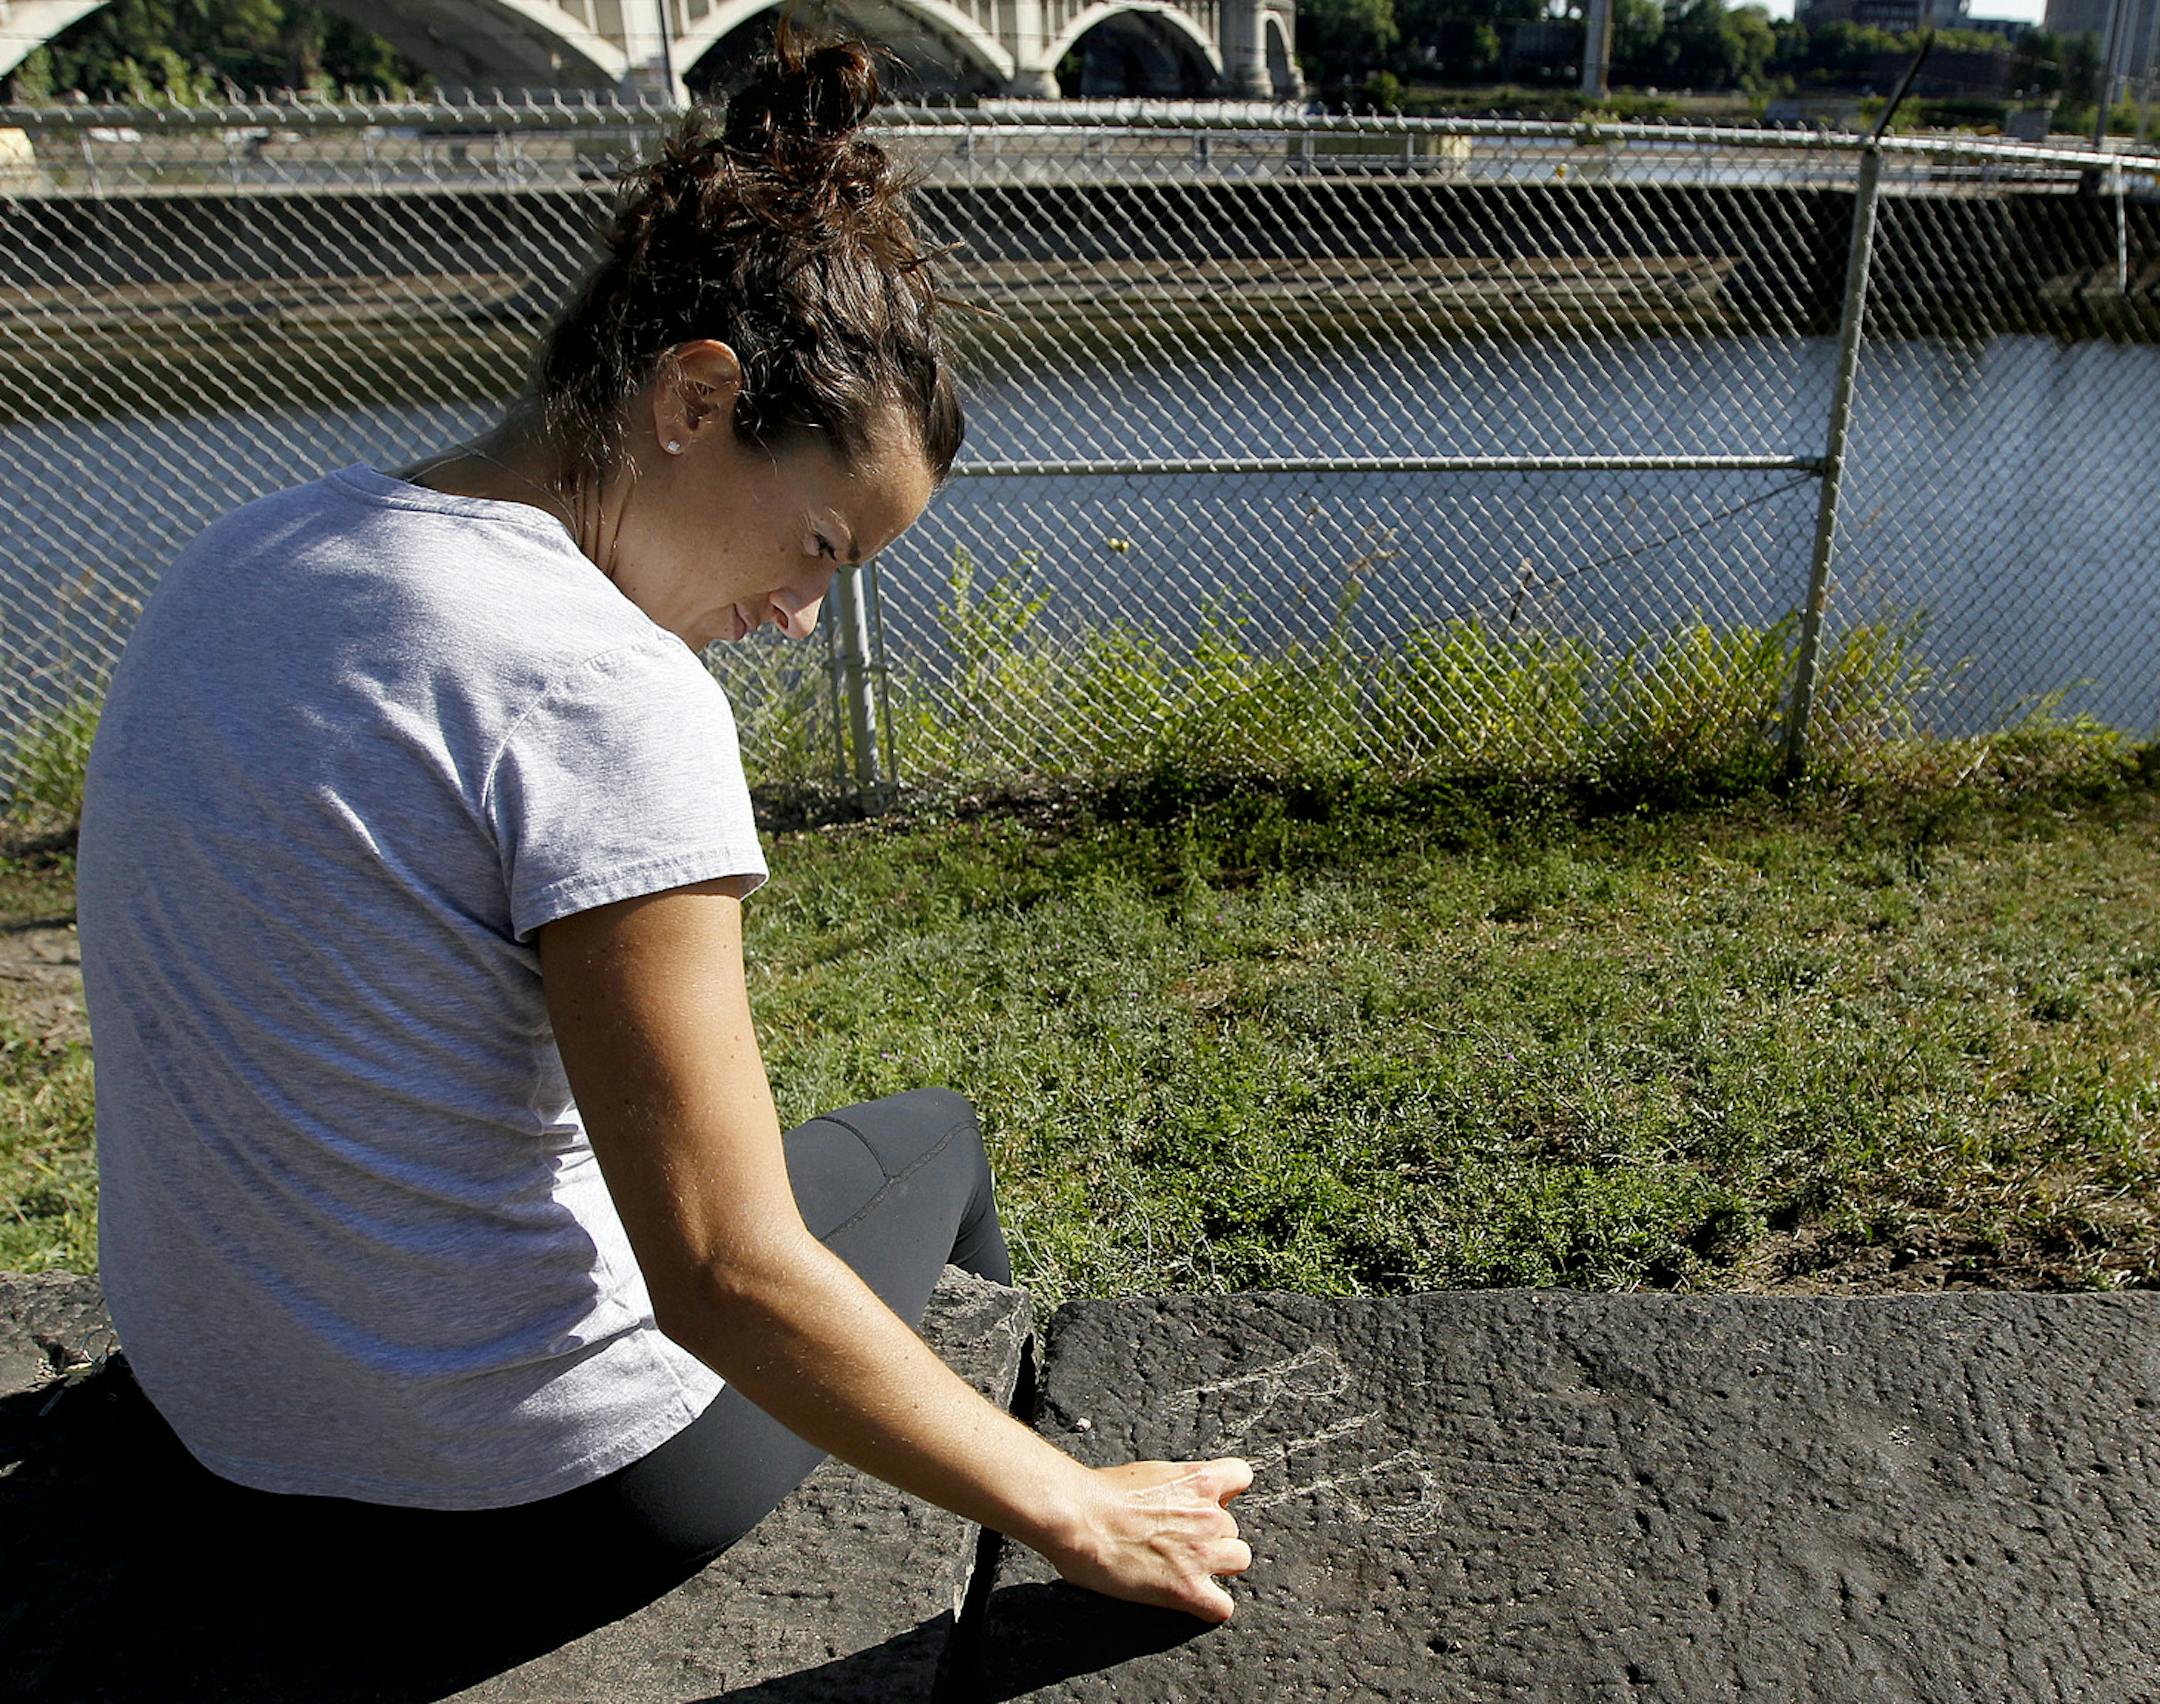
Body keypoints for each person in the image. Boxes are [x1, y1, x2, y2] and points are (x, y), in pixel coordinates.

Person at [75, 20, 1251, 1651]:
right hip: (522, 1509)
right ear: (697, 396)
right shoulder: (603, 685)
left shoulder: (248, 551)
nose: (794, 615)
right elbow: (717, 1268)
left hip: (211, 1457)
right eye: (819, 541)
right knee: (937, 1139)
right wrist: (1066, 1501)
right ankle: (1001, 1471)